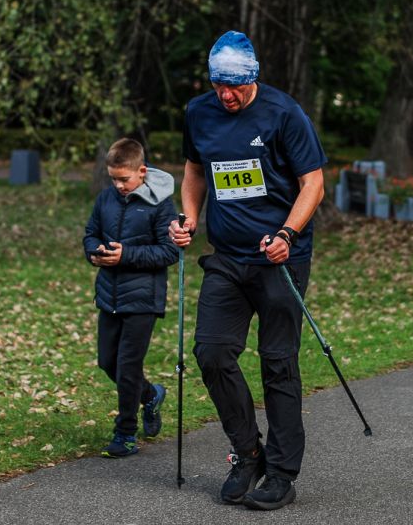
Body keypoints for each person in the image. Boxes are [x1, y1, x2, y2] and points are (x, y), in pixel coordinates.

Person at [169, 31, 327, 510]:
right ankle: (248, 452)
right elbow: (195, 170)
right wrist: (190, 218)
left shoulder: (283, 113)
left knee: (278, 362)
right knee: (211, 353)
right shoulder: (199, 111)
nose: (227, 95)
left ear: (253, 79)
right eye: (219, 86)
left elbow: (313, 183)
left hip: (280, 258)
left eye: (235, 87)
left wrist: (287, 234)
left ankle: (281, 473)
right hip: (227, 257)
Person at [84, 138, 178, 457]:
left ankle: (125, 434)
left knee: (127, 366)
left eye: (124, 179)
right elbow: (91, 233)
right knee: (107, 362)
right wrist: (93, 252)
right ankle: (150, 395)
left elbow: (169, 251)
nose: (118, 185)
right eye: (114, 178)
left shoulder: (161, 204)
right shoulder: (106, 199)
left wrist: (125, 256)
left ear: (142, 171)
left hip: (143, 299)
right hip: (109, 295)